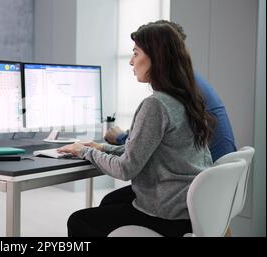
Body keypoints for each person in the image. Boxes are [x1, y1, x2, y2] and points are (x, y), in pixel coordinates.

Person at [57, 21, 215, 237]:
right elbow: (145, 152)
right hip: (188, 206)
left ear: (156, 58)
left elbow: (126, 169)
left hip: (166, 213)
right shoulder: (186, 99)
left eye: (136, 53)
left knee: (78, 221)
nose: (131, 61)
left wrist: (85, 152)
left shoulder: (156, 105)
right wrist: (101, 148)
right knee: (110, 201)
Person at [105, 20, 237, 162]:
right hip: (214, 174)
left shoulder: (182, 91)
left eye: (137, 53)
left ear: (160, 53)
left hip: (204, 176)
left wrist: (122, 138)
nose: (131, 61)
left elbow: (135, 158)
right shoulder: (189, 82)